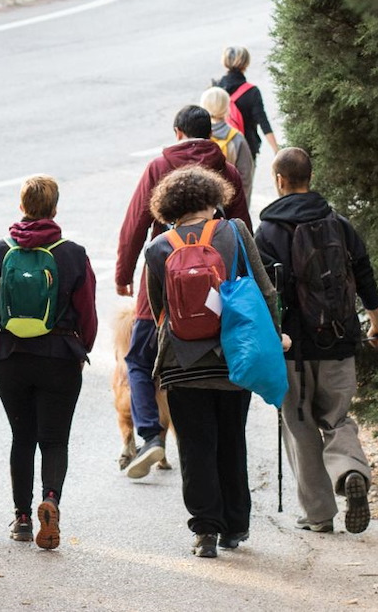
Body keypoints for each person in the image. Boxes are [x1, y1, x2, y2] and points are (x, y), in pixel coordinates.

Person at [141, 166, 280, 558]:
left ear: (169, 206)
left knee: (195, 447)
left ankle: (205, 531)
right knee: (231, 440)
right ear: (212, 198)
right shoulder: (233, 232)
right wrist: (275, 336)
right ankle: (235, 526)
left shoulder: (158, 248)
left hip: (182, 363)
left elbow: (159, 311)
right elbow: (265, 291)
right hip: (233, 357)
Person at [254, 147, 378, 535]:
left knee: (298, 425)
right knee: (338, 418)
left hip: (291, 347)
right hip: (339, 339)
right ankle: (350, 471)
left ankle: (318, 515)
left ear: (280, 180)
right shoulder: (339, 224)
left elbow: (264, 294)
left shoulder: (268, 231)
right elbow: (364, 275)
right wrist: (377, 323)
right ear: (310, 177)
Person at [115, 105, 250, 478]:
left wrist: (124, 273)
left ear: (177, 133)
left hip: (162, 274)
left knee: (140, 360)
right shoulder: (227, 170)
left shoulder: (159, 168)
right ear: (211, 135)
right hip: (217, 283)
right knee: (215, 347)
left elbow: (134, 225)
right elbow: (243, 229)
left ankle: (150, 436)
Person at [0, 175, 99, 550]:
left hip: (11, 359)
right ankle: (52, 500)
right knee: (55, 440)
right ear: (54, 209)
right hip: (59, 357)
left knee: (22, 438)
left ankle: (23, 518)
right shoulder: (72, 253)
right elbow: (86, 311)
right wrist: (82, 348)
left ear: (21, 207)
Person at [214, 47, 279, 165]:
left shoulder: (215, 89)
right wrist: (276, 149)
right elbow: (263, 122)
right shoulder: (252, 92)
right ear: (246, 63)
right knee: (244, 183)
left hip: (218, 149)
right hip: (246, 149)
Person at [200, 86, 256, 199]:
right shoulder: (237, 138)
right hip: (230, 202)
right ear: (227, 108)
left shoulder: (199, 136)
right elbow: (246, 177)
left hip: (203, 204)